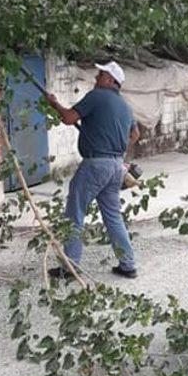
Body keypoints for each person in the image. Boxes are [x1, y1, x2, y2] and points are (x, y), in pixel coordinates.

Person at [45, 61, 140, 280]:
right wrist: (116, 149)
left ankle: (70, 266)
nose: (96, 79)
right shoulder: (125, 106)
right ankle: (128, 264)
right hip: (116, 165)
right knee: (113, 216)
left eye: (100, 75)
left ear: (110, 80)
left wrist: (54, 104)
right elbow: (135, 135)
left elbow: (69, 118)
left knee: (75, 212)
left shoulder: (97, 96)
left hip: (96, 164)